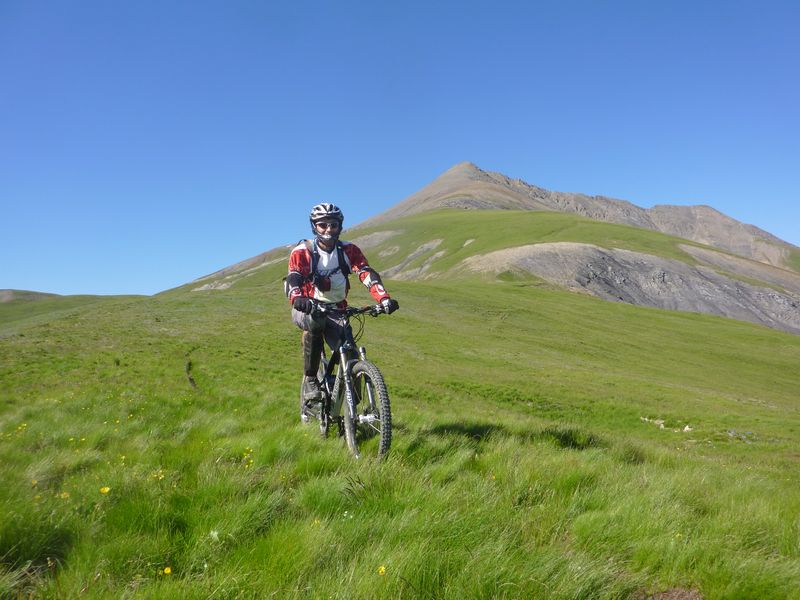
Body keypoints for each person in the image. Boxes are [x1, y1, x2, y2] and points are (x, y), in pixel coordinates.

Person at [286, 203, 399, 419]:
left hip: (338, 310)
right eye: (322, 225)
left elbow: (365, 273)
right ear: (314, 227)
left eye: (333, 224)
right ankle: (311, 380)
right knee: (315, 323)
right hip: (308, 308)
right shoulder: (304, 252)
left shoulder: (349, 250)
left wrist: (384, 299)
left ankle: (347, 412)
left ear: (340, 226)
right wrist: (298, 298)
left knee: (351, 355)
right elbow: (294, 277)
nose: (328, 229)